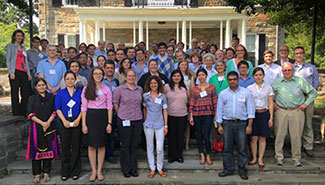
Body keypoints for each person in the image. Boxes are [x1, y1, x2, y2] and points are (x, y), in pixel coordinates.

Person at [272, 62, 317, 167]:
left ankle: (296, 158)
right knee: (279, 135)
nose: (287, 72)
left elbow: (313, 93)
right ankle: (279, 157)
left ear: (293, 70)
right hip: (281, 111)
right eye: (285, 70)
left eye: (289, 70)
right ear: (282, 72)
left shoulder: (300, 81)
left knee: (296, 136)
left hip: (296, 111)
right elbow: (268, 94)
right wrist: (272, 103)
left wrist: (305, 104)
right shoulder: (277, 82)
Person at [216, 71, 255, 180]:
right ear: (227, 81)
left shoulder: (246, 92)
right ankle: (228, 169)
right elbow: (219, 110)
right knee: (227, 148)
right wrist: (219, 125)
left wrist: (249, 125)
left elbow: (250, 110)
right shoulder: (223, 93)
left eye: (234, 79)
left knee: (242, 147)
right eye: (230, 79)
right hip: (227, 123)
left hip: (241, 123)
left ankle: (242, 170)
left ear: (238, 80)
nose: (232, 81)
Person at [81, 67, 113, 182]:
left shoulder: (107, 89)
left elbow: (110, 107)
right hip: (91, 117)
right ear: (92, 75)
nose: (98, 75)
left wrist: (109, 123)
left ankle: (99, 170)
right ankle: (93, 170)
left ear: (103, 75)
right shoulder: (86, 89)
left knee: (101, 145)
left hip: (103, 117)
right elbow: (83, 108)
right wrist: (84, 124)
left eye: (100, 73)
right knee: (91, 146)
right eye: (96, 73)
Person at [26, 78, 60, 184]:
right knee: (36, 150)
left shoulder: (51, 97)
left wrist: (48, 123)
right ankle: (36, 174)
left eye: (43, 85)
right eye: (39, 85)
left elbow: (55, 111)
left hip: (49, 126)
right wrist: (42, 123)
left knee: (49, 150)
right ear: (35, 87)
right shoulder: (31, 99)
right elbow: (30, 114)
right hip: (37, 127)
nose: (42, 87)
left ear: (46, 86)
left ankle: (46, 172)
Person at [113, 69, 143, 178]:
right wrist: (121, 113)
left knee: (134, 145)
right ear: (125, 77)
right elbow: (115, 103)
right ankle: (125, 169)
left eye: (133, 76)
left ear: (135, 77)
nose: (131, 78)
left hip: (137, 119)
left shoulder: (139, 89)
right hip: (124, 119)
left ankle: (133, 168)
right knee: (125, 145)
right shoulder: (119, 89)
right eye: (129, 76)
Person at [293, 46, 320, 157]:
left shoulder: (311, 68)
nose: (299, 55)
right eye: (296, 53)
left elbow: (316, 83)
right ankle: (296, 146)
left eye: (301, 53)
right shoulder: (290, 68)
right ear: (294, 55)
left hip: (307, 98)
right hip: (294, 99)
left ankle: (308, 146)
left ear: (304, 54)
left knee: (308, 123)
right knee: (296, 124)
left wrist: (310, 96)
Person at [55, 71, 82, 181]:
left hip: (77, 120)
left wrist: (78, 120)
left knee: (76, 147)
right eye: (68, 79)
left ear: (75, 80)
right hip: (64, 121)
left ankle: (75, 171)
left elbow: (83, 107)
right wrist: (64, 121)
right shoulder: (60, 93)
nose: (70, 81)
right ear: (65, 80)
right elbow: (57, 108)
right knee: (65, 147)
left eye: (72, 79)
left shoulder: (80, 93)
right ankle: (65, 171)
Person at [247, 67, 274, 169]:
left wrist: (271, 117)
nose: (258, 77)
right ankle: (254, 157)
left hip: (264, 114)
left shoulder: (268, 87)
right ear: (253, 76)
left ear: (263, 76)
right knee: (253, 137)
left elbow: (271, 103)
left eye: (260, 75)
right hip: (253, 114)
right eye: (256, 75)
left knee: (262, 137)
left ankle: (260, 158)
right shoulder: (249, 88)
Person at [189, 68, 217, 166]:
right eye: (199, 75)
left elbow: (215, 101)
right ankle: (202, 154)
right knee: (199, 135)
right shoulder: (195, 89)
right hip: (197, 114)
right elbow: (192, 102)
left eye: (203, 75)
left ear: (206, 76)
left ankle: (208, 154)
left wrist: (215, 114)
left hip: (208, 114)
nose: (201, 77)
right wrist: (191, 116)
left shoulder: (211, 87)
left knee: (206, 135)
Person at [143, 75, 168, 178]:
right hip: (148, 124)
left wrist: (166, 125)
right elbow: (144, 109)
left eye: (155, 83)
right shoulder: (145, 96)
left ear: (158, 84)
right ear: (149, 85)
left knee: (160, 148)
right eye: (151, 83)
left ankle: (160, 168)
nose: (153, 85)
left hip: (160, 124)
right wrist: (145, 121)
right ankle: (152, 168)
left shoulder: (163, 96)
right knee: (150, 147)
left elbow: (165, 111)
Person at [6, 29, 32, 116]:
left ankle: (23, 111)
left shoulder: (24, 48)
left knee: (25, 93)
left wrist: (28, 74)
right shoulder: (10, 46)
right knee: (15, 93)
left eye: (21, 36)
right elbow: (8, 60)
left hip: (23, 72)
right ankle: (16, 113)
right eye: (17, 36)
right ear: (14, 37)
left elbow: (26, 62)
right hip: (15, 72)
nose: (19, 37)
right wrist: (11, 72)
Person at [166, 70, 188, 163]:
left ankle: (179, 155)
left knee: (180, 136)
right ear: (171, 77)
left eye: (178, 76)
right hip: (170, 115)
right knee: (171, 136)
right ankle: (171, 155)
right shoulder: (166, 87)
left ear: (181, 77)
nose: (176, 78)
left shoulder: (184, 88)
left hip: (182, 115)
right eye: (174, 76)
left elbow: (188, 100)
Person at [102, 60, 120, 163]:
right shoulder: (101, 81)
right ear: (104, 69)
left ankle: (109, 154)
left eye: (111, 68)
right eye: (108, 68)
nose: (110, 70)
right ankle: (101, 155)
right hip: (103, 112)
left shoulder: (116, 82)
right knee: (102, 134)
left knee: (111, 134)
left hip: (114, 112)